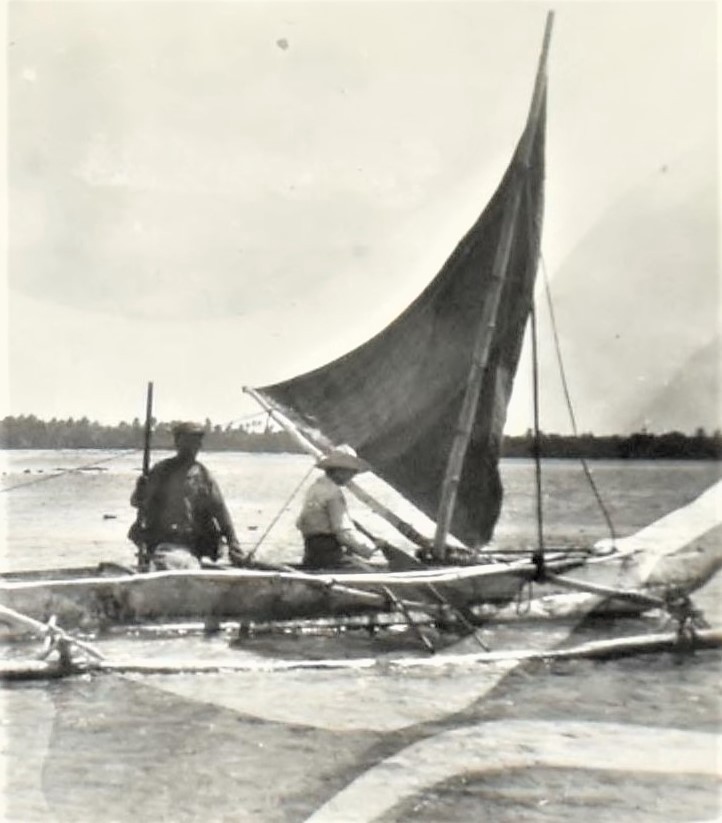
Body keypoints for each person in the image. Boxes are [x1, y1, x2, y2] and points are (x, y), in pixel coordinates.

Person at [130, 421, 245, 570]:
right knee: (166, 563)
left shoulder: (203, 475)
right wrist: (140, 490)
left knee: (188, 565)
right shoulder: (161, 471)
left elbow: (220, 511)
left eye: (197, 442)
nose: (194, 446)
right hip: (162, 541)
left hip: (192, 544)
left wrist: (233, 544)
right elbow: (137, 502)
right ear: (177, 442)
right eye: (189, 441)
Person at [296, 445, 384, 571]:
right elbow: (343, 532)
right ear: (339, 470)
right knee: (369, 572)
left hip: (311, 555)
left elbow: (300, 523)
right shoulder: (333, 493)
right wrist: (370, 548)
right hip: (330, 557)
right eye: (351, 471)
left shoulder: (315, 488)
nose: (353, 475)